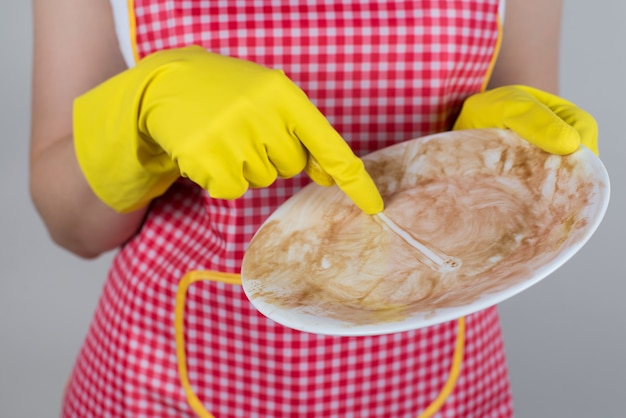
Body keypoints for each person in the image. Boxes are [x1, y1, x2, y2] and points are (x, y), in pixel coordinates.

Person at [29, 0, 597, 416]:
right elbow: (73, 228)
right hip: (160, 379)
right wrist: (138, 119)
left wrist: (511, 165)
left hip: (433, 373)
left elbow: (536, 206)